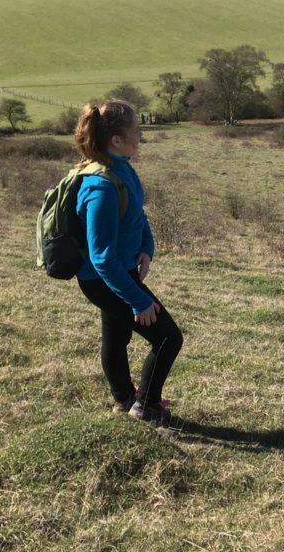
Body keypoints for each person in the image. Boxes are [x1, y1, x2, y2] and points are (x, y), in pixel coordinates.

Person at [73, 100, 183, 429]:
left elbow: (137, 213)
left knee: (116, 336)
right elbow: (101, 257)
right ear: (117, 140)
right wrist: (137, 298)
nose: (141, 134)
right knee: (168, 338)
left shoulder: (122, 167)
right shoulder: (100, 186)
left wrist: (147, 248)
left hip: (122, 272)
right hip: (104, 278)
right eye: (135, 130)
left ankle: (124, 398)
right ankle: (145, 407)